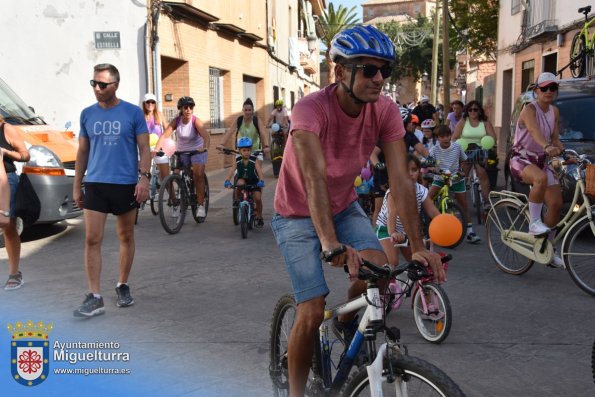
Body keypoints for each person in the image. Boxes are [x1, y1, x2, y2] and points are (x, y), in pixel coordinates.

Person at [270, 25, 444, 396]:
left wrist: (417, 245)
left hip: (344, 205)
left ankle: (347, 322)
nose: (379, 78)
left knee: (381, 274)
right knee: (313, 309)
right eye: (368, 69)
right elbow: (314, 177)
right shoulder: (310, 109)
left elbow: (400, 180)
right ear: (340, 72)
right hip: (296, 213)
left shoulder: (385, 111)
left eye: (384, 70)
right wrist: (330, 243)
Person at [72, 63, 150, 316]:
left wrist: (144, 179)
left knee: (125, 236)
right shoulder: (87, 114)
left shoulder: (132, 113)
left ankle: (122, 284)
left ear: (115, 85)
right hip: (96, 184)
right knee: (92, 239)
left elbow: (145, 149)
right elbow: (83, 152)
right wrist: (77, 185)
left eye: (102, 84)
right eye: (94, 83)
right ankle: (94, 296)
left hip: (125, 184)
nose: (97, 88)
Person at [509, 72, 564, 267]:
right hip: (521, 158)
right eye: (544, 88)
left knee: (557, 203)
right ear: (536, 91)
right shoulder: (528, 109)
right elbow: (534, 131)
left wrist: (562, 151)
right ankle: (534, 223)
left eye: (553, 88)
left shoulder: (554, 112)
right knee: (540, 178)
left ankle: (545, 249)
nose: (549, 92)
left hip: (542, 159)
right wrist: (547, 147)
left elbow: (555, 137)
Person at [376, 154, 440, 266]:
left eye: (414, 170)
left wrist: (443, 223)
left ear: (419, 172)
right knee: (392, 262)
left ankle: (409, 283)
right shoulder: (395, 191)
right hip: (386, 228)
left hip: (407, 231)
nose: (410, 173)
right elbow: (392, 213)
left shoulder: (421, 190)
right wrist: (393, 233)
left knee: (418, 263)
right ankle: (388, 282)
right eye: (406, 170)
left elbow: (433, 212)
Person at [156, 96, 210, 217]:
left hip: (197, 151)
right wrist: (156, 149)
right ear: (181, 109)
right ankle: (177, 202)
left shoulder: (196, 121)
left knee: (198, 174)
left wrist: (204, 147)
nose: (188, 110)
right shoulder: (177, 121)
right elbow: (164, 135)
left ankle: (200, 205)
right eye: (186, 107)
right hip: (181, 152)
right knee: (175, 175)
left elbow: (206, 136)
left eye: (191, 107)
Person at [428, 125, 480, 243]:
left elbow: (463, 160)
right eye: (442, 136)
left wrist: (461, 171)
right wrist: (432, 168)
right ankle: (425, 223)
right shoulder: (434, 150)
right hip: (440, 178)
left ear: (451, 136)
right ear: (438, 138)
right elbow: (429, 163)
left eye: (447, 136)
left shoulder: (457, 147)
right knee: (427, 198)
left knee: (463, 204)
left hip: (455, 178)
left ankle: (470, 232)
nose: (446, 139)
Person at [0, 116, 30, 290]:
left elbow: (25, 154)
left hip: (5, 181)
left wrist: (6, 152)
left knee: (8, 226)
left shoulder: (6, 128)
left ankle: (14, 273)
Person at [452, 100, 497, 210]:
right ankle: (458, 202)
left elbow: (493, 137)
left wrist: (491, 146)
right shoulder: (463, 121)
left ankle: (486, 202)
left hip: (481, 150)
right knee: (463, 175)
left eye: (475, 109)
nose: (473, 112)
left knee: (482, 174)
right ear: (467, 111)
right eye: (470, 109)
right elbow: (455, 137)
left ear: (480, 111)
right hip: (466, 150)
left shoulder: (485, 122)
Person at [223, 137, 265, 226]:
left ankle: (260, 216)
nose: (247, 152)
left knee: (257, 198)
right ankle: (237, 199)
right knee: (239, 183)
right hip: (244, 180)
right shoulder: (238, 160)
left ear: (251, 150)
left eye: (249, 150)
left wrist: (261, 181)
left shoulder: (254, 160)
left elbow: (260, 172)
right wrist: (227, 180)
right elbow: (231, 171)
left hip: (254, 181)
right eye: (244, 150)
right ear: (240, 151)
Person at [219, 98, 269, 162]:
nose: (247, 112)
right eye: (245, 110)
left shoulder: (256, 120)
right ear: (242, 110)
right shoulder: (239, 120)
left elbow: (263, 133)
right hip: (242, 150)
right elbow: (230, 132)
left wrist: (266, 146)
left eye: (249, 110)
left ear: (253, 110)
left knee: (258, 170)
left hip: (255, 150)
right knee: (237, 169)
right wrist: (221, 144)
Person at [142, 93, 170, 182]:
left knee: (165, 178)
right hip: (145, 148)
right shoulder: (140, 116)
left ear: (155, 104)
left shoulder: (159, 115)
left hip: (159, 148)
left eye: (153, 102)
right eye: (148, 102)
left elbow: (167, 130)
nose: (150, 104)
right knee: (143, 175)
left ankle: (172, 196)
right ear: (144, 103)